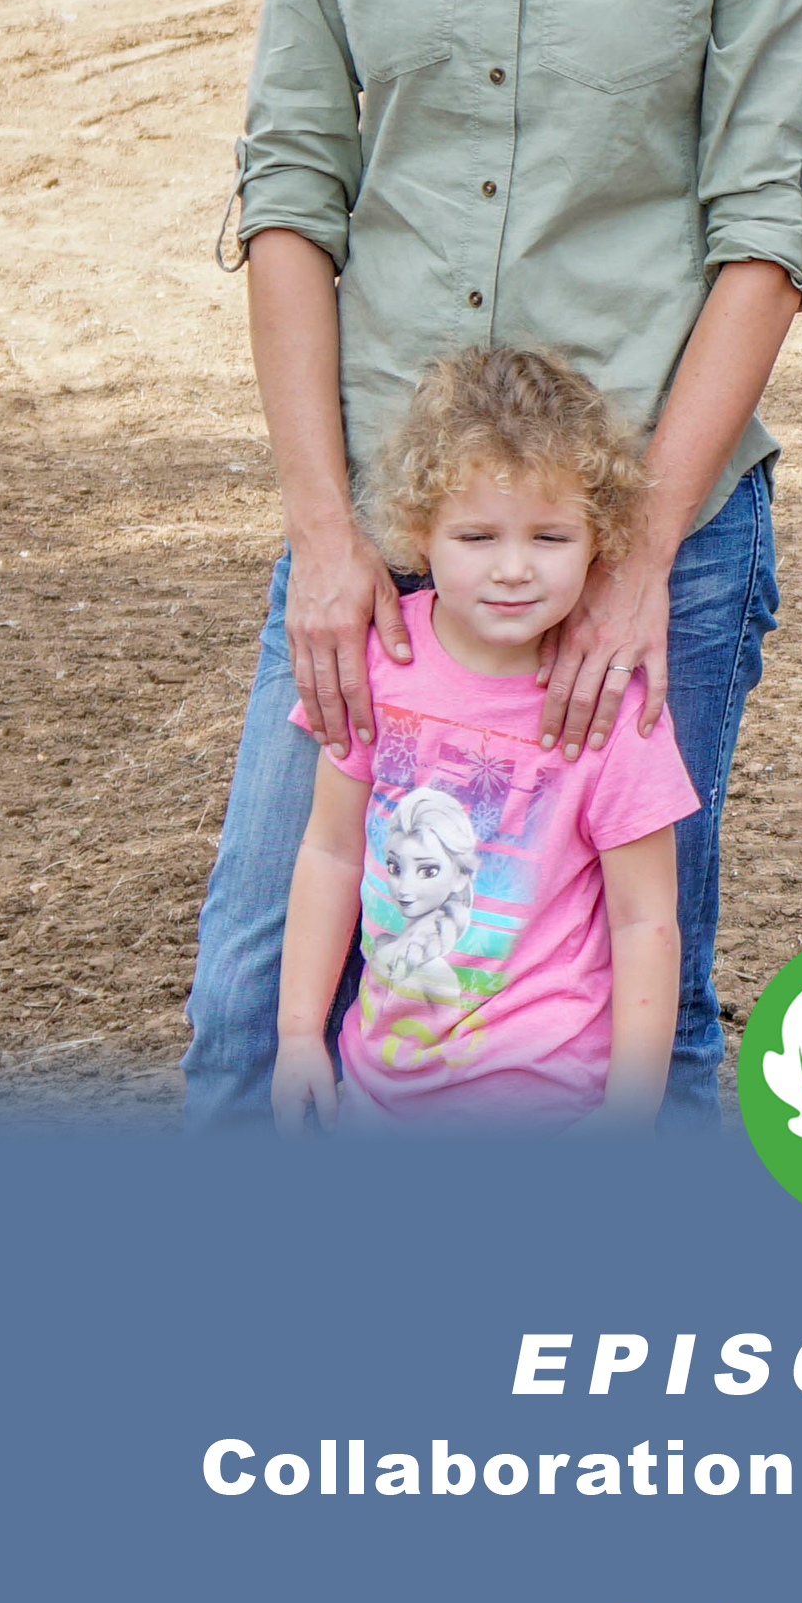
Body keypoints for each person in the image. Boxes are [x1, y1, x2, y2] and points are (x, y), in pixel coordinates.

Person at [182, 0, 802, 1131]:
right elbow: (289, 195)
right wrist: (328, 540)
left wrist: (644, 558)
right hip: (393, 538)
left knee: (626, 1014)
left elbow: (763, 233)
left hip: (644, 542)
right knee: (267, 1002)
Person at [272, 348, 697, 1135]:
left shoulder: (609, 706)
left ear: (600, 538)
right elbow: (330, 853)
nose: (512, 570)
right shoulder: (380, 664)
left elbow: (647, 922)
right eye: (476, 536)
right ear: (417, 530)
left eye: (549, 537)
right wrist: (299, 1033)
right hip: (377, 1096)